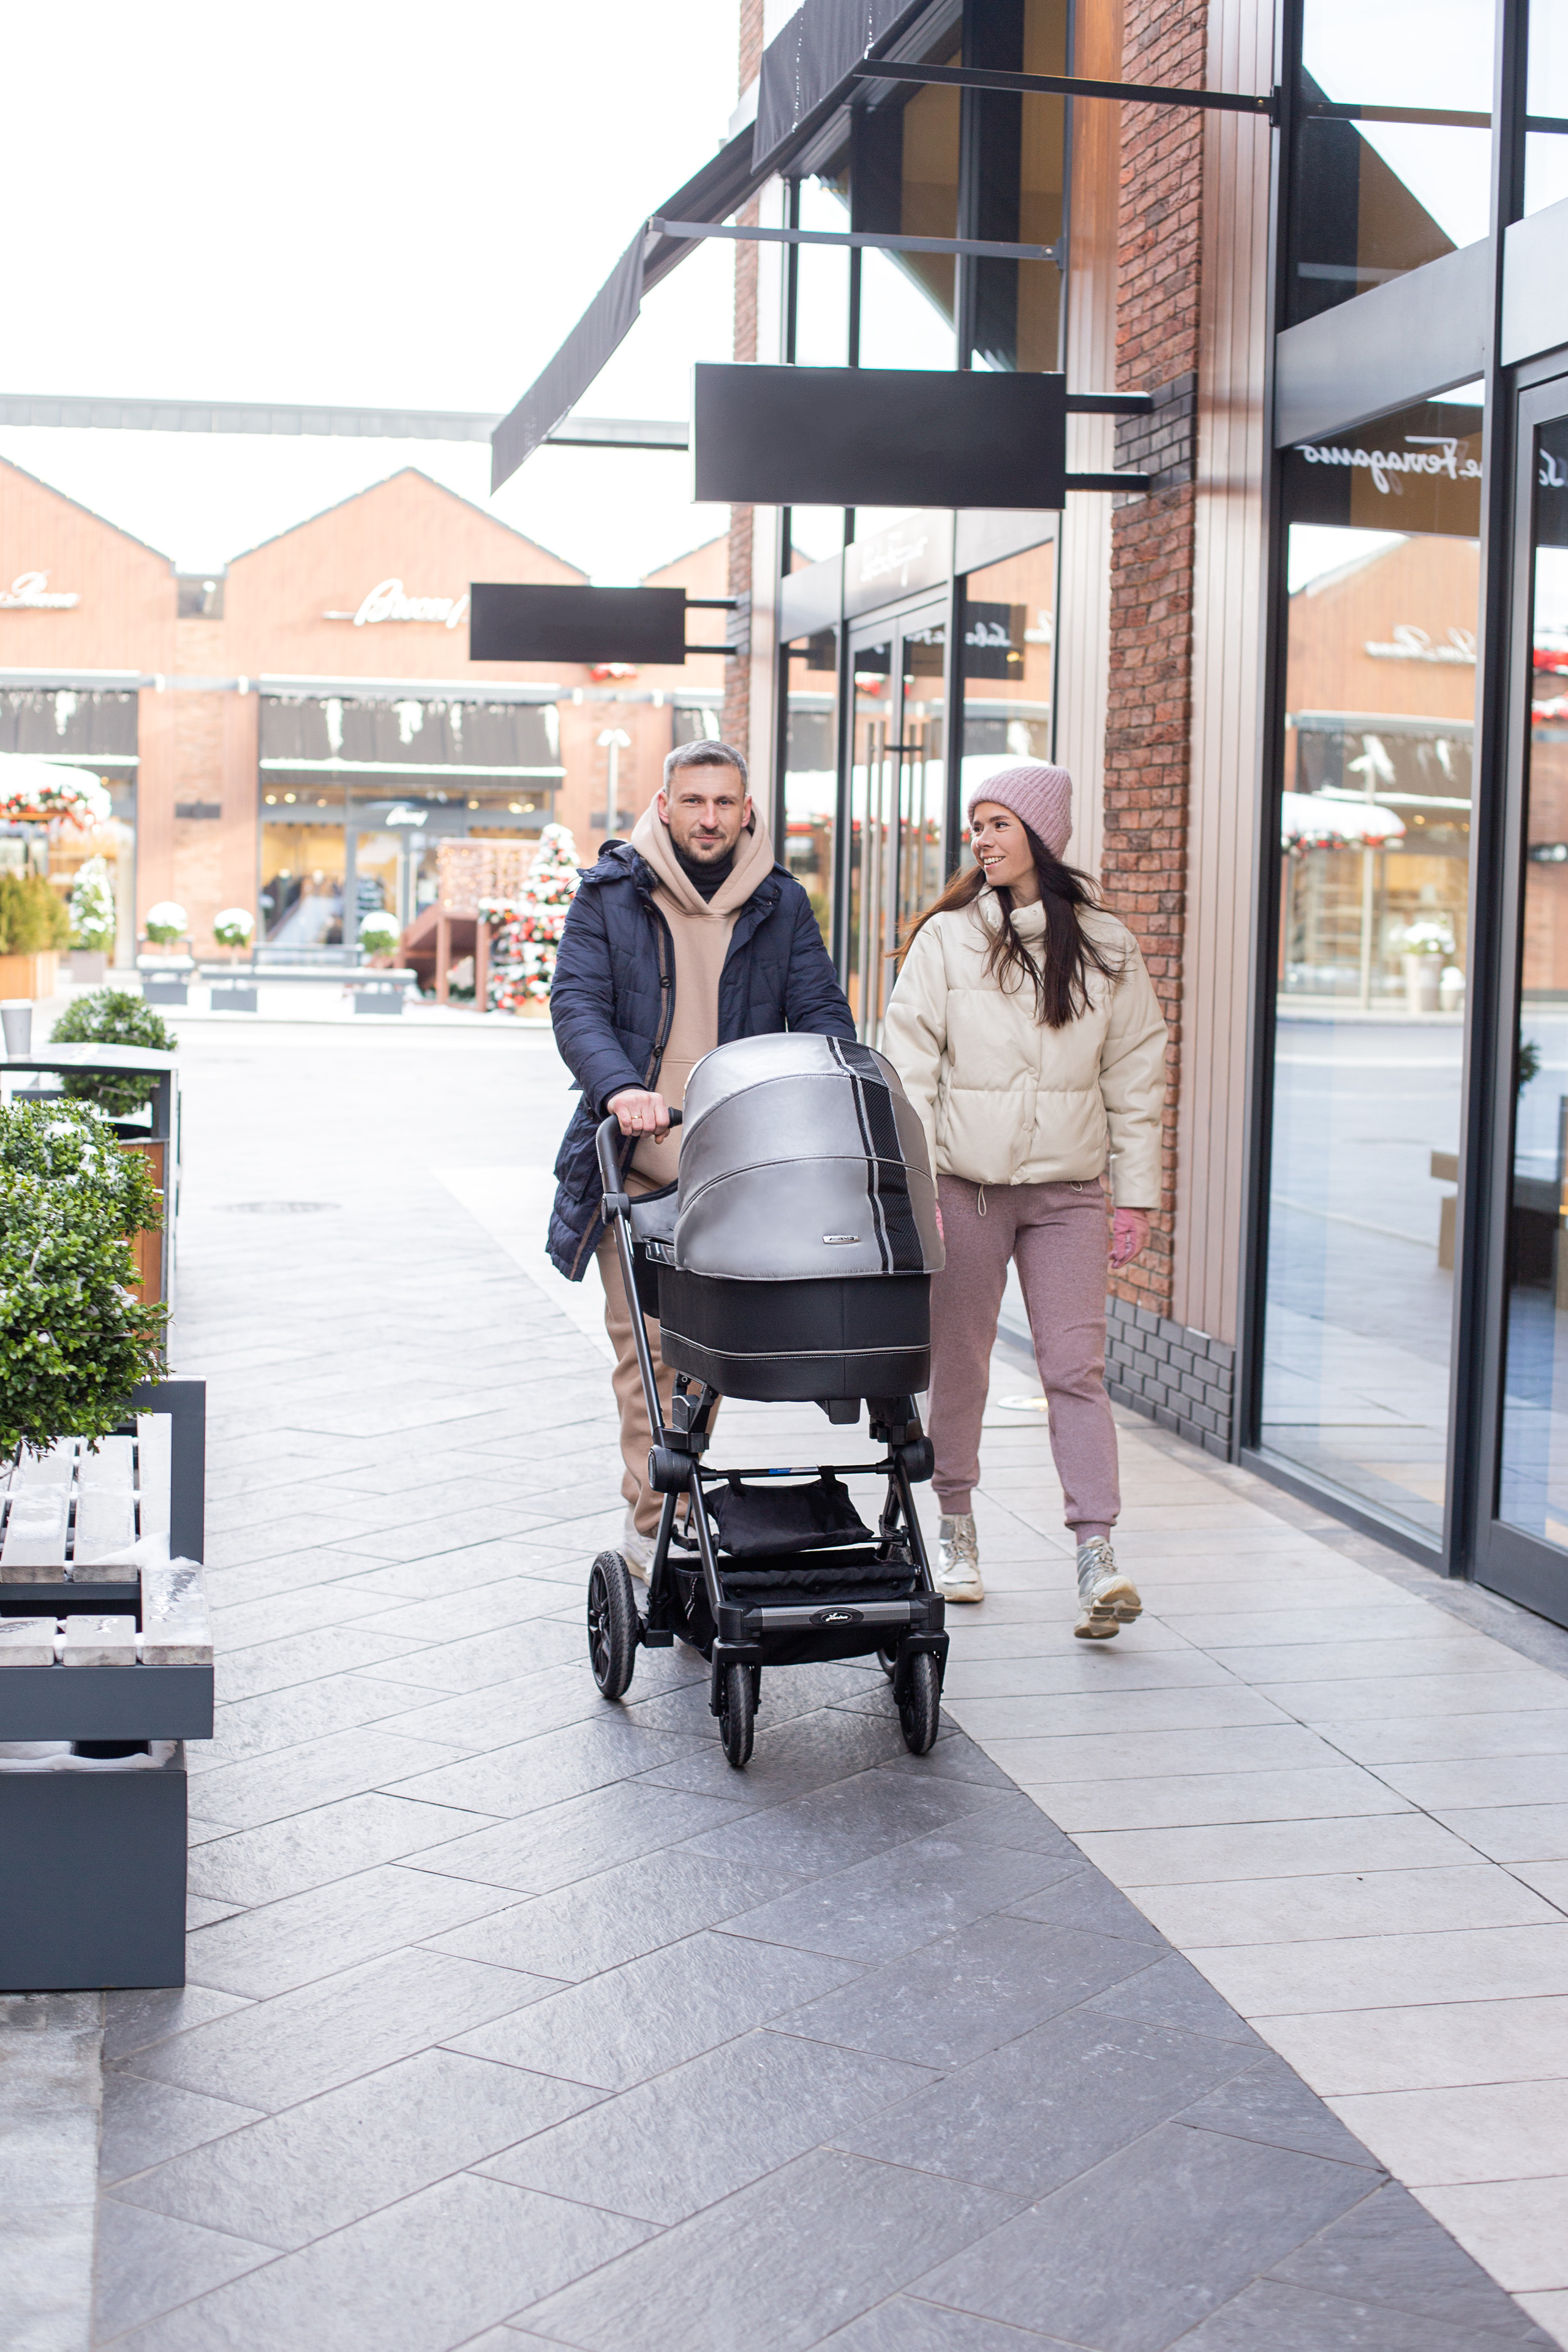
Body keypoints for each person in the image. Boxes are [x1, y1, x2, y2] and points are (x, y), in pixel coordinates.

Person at [548, 739, 856, 1574]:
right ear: (665, 803)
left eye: (726, 803)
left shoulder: (780, 903)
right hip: (639, 1171)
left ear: (747, 810)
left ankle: (672, 1503)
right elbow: (577, 1004)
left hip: (738, 1174)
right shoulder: (612, 893)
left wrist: (833, 1085)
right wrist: (619, 1090)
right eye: (695, 801)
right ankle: (652, 1526)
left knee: (700, 1365)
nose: (711, 818)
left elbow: (820, 1007)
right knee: (643, 1351)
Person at [881, 762, 1167, 1637]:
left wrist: (1137, 1199)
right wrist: (917, 1185)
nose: (983, 839)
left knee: (1073, 1371)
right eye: (977, 825)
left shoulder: (1108, 945)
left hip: (1070, 1195)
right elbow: (909, 1071)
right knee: (960, 1364)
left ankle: (1096, 1555)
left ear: (1042, 834)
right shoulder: (947, 941)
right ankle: (957, 1528)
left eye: (1000, 823)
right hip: (966, 1193)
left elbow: (1138, 1075)